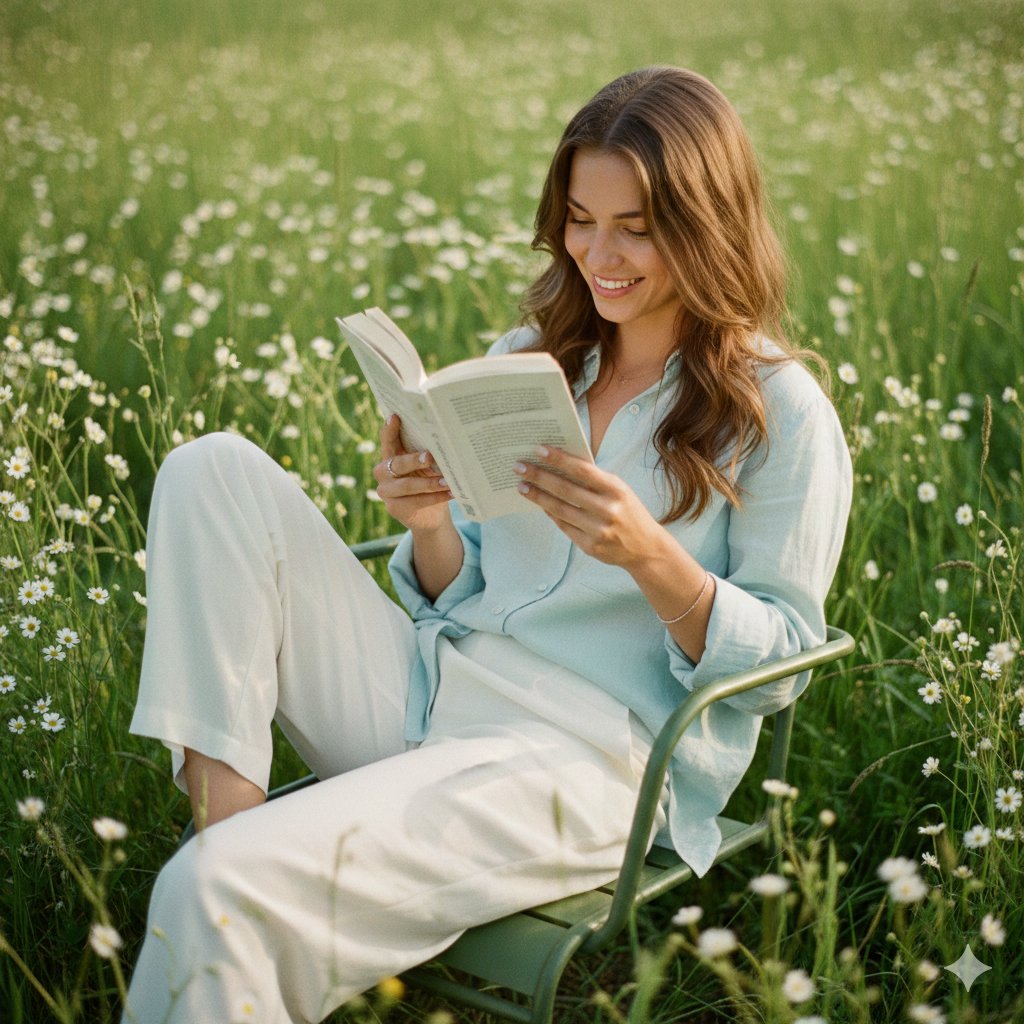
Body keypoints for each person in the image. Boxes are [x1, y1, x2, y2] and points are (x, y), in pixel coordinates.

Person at [122, 65, 852, 1023]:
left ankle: (237, 880)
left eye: (637, 226)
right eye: (580, 220)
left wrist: (650, 556)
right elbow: (453, 588)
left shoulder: (778, 409)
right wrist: (427, 521)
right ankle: (237, 830)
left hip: (582, 759)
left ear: (708, 223)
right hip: (433, 689)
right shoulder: (532, 358)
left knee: (208, 892)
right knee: (211, 469)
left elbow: (788, 666)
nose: (601, 252)